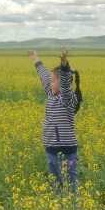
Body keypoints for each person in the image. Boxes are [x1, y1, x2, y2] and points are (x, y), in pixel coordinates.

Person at [30, 48, 82, 192]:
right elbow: (45, 77)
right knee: (55, 179)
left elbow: (64, 86)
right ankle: (58, 204)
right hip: (51, 147)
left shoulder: (68, 99)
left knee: (70, 179)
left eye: (54, 81)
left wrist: (64, 64)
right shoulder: (51, 95)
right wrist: (36, 59)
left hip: (66, 148)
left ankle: (73, 206)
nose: (51, 83)